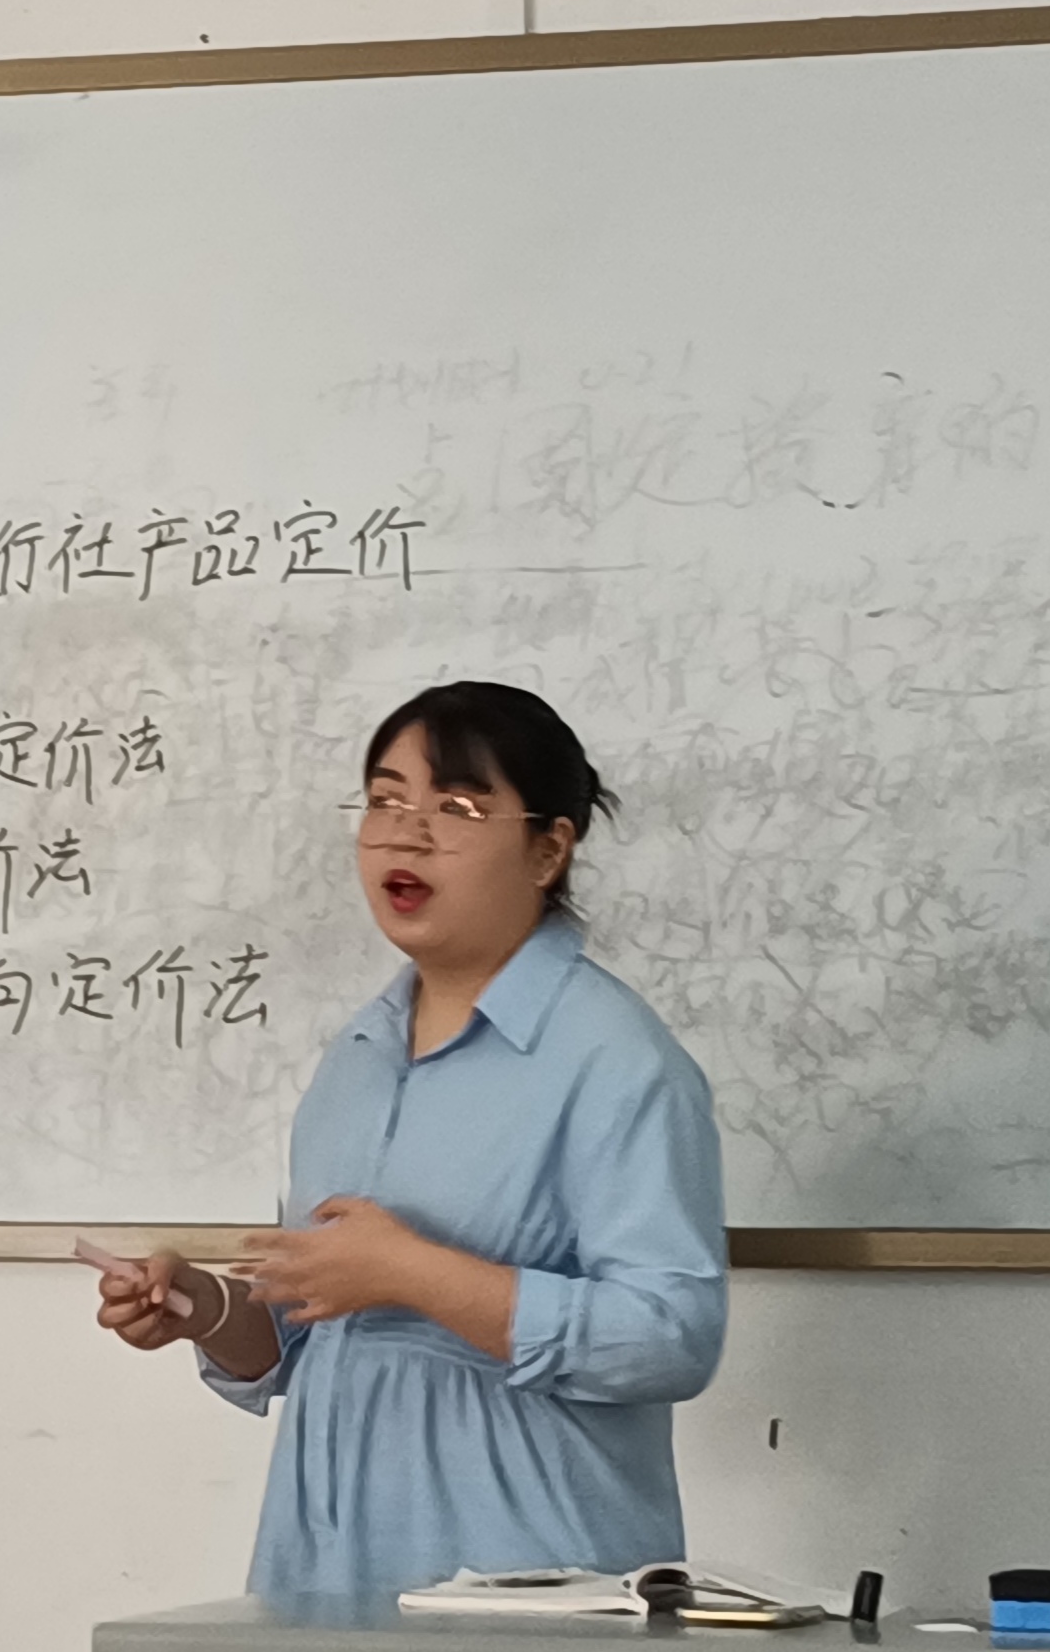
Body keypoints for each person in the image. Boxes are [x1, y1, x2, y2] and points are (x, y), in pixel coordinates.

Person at [94, 681, 726, 1601]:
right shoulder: (355, 1059)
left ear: (548, 849)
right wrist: (204, 1306)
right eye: (385, 801)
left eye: (457, 808)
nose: (406, 834)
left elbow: (672, 1337)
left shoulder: (617, 1062)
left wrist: (414, 1273)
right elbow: (309, 1337)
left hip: (526, 1596)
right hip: (328, 1586)